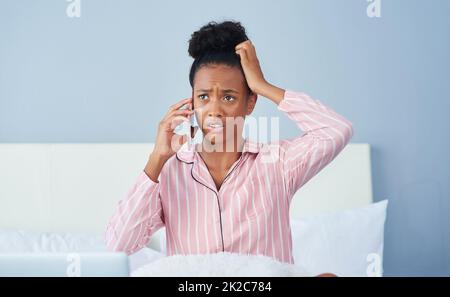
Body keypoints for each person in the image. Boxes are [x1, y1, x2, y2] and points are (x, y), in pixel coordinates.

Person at [105, 21, 353, 271]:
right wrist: (157, 158)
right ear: (192, 103)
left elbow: (336, 130)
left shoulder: (277, 163)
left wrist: (263, 86)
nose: (214, 110)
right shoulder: (169, 172)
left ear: (250, 103)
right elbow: (118, 246)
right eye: (203, 97)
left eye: (228, 97)